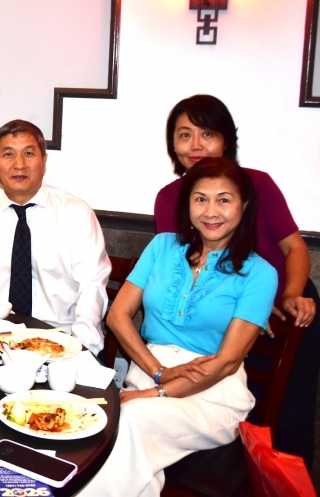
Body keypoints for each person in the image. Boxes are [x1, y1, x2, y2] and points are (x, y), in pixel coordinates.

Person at [82, 158, 276, 496]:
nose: (211, 211)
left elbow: (227, 362)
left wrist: (155, 393)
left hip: (213, 395)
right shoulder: (162, 247)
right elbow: (118, 315)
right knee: (109, 428)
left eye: (224, 200)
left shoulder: (260, 274)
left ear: (243, 205)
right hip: (148, 372)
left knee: (133, 419)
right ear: (188, 204)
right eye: (200, 199)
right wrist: (158, 373)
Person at [154, 94, 317, 462]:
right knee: (221, 417)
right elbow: (180, 269)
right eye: (184, 135)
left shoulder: (257, 184)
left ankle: (284, 481)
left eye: (207, 134)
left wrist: (289, 295)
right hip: (219, 314)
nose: (196, 145)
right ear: (173, 145)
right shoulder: (169, 198)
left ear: (226, 140)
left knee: (285, 417)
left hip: (283, 309)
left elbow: (294, 248)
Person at [0, 119, 111, 354]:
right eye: (8, 154)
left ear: (44, 161)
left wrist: (81, 349)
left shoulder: (76, 213)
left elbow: (92, 287)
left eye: (28, 153)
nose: (19, 164)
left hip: (61, 339)